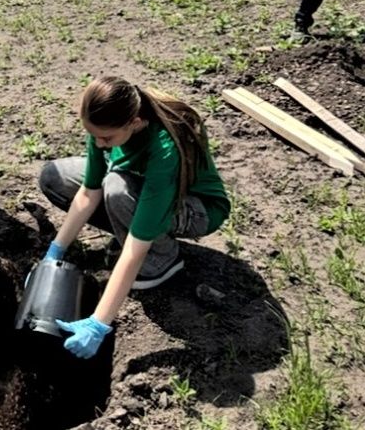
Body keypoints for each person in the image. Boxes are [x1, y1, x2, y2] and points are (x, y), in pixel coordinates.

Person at [37, 76, 230, 360]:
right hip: (141, 189)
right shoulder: (105, 124)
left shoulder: (164, 148)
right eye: (93, 135)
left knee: (116, 188)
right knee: (56, 178)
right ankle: (132, 224)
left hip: (197, 208)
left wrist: (98, 323)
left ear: (135, 123)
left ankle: (163, 260)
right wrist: (54, 252)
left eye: (106, 139)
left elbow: (135, 247)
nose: (99, 144)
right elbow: (88, 192)